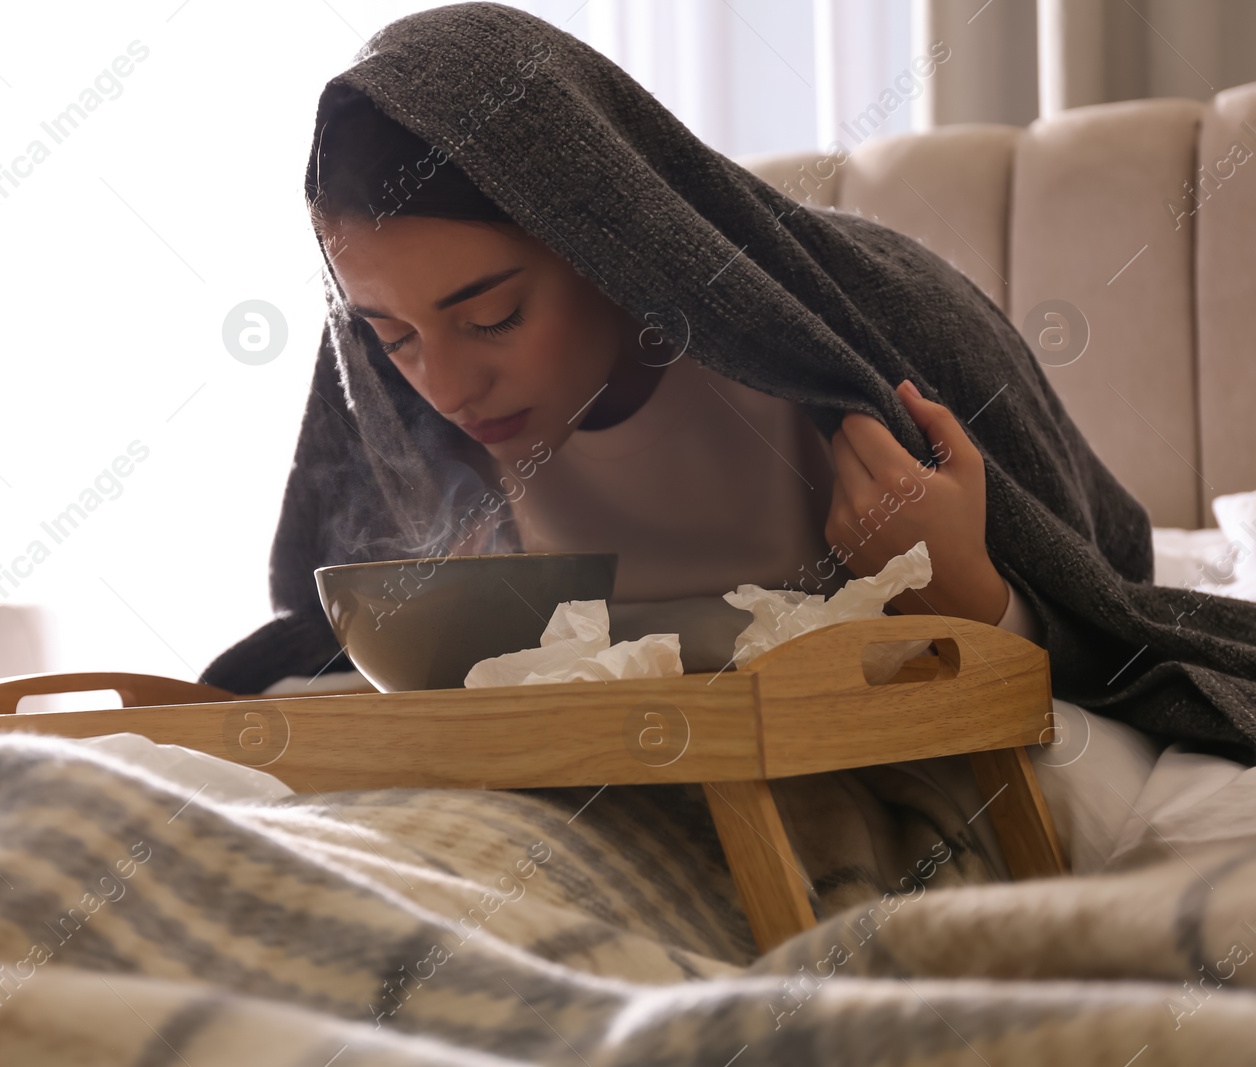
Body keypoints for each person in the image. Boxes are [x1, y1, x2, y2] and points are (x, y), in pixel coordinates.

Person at [202, 2, 1256, 769]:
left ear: (603, 232)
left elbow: (1110, 619)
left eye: (492, 318)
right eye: (388, 334)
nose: (443, 380)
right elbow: (316, 639)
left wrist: (962, 590)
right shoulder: (389, 404)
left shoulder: (864, 321)